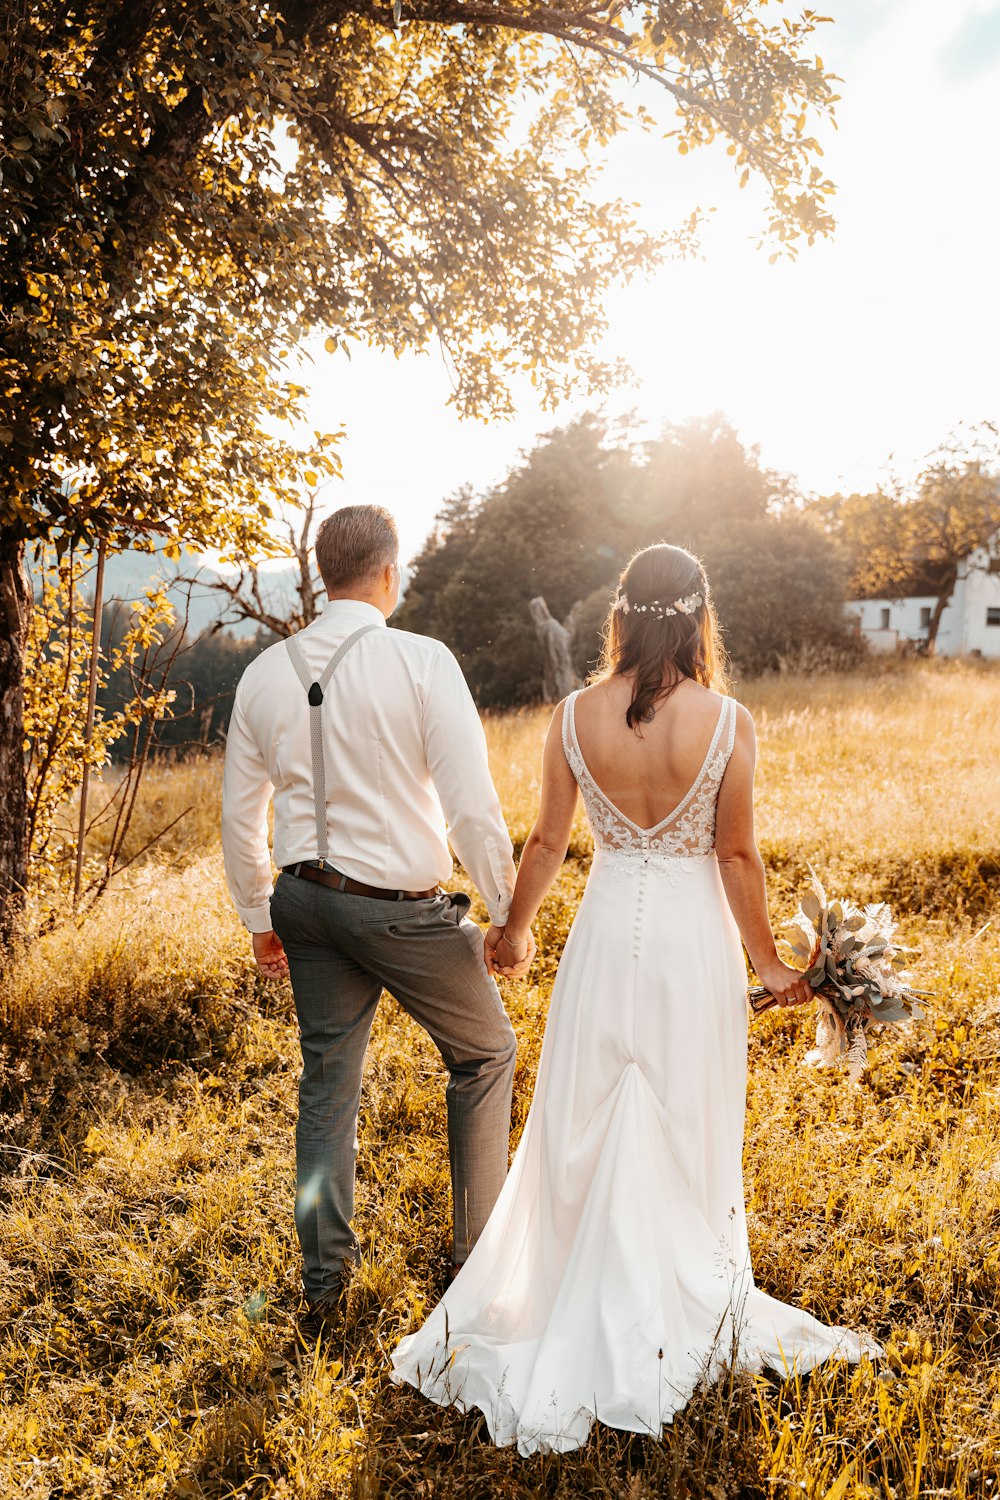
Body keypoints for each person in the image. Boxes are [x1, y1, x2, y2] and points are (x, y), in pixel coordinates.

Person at [391, 542, 881, 1455]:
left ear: (620, 616)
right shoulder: (727, 718)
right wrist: (774, 966)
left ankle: (579, 1283)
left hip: (606, 937)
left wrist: (513, 930)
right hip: (691, 947)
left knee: (588, 1112)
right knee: (683, 1111)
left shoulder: (573, 715)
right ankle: (669, 1292)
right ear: (698, 618)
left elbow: (544, 841)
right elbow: (736, 856)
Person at [221, 504, 532, 1331]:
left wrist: (259, 914)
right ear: (390, 573)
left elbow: (238, 815)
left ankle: (325, 1286)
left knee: (327, 1083)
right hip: (401, 914)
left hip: (304, 905)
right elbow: (470, 805)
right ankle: (474, 1259)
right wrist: (507, 914)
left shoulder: (262, 674)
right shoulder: (421, 660)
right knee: (486, 1053)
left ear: (323, 574)